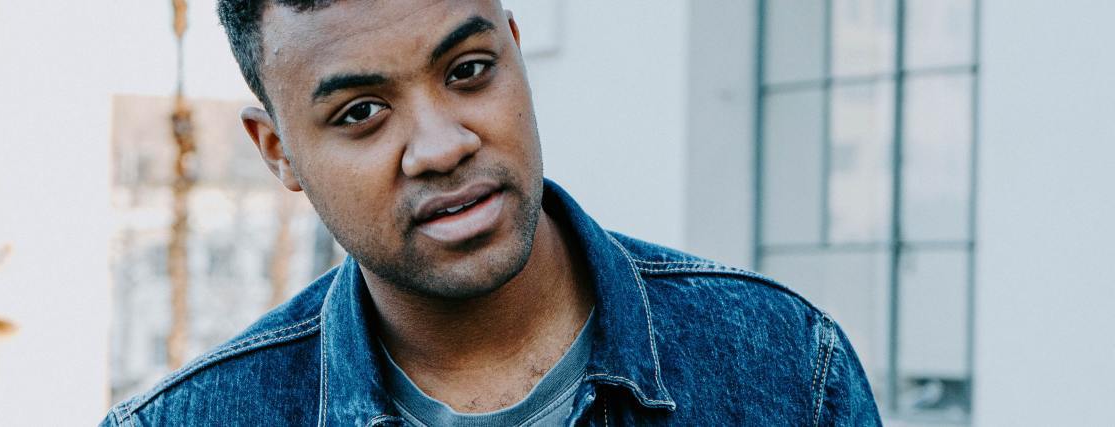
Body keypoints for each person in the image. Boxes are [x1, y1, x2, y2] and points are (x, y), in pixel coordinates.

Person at [101, 1, 882, 425]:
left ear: (515, 48)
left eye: (469, 70)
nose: (440, 146)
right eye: (363, 112)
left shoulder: (784, 368)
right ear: (277, 151)